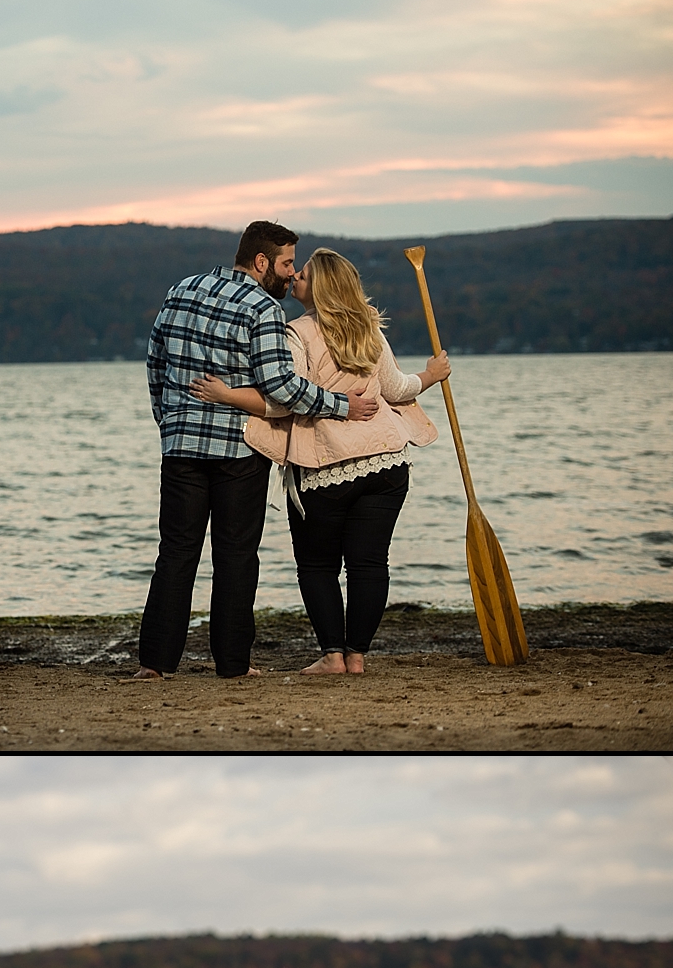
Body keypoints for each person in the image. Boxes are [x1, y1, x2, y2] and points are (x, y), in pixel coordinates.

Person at [133, 222, 380, 683]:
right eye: (287, 264)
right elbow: (281, 387)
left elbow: (155, 363)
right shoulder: (261, 308)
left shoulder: (181, 289)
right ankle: (233, 665)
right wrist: (343, 406)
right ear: (262, 261)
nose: (291, 275)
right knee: (236, 556)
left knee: (176, 553)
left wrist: (167, 422)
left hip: (181, 446)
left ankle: (155, 664)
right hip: (240, 448)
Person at [190, 248, 450, 675]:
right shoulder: (368, 327)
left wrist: (228, 396)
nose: (294, 279)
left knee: (317, 565)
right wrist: (431, 375)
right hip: (386, 460)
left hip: (324, 467)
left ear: (323, 287)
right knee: (370, 563)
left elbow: (283, 398)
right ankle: (357, 656)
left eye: (304, 276)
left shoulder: (295, 332)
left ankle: (333, 655)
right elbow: (398, 389)